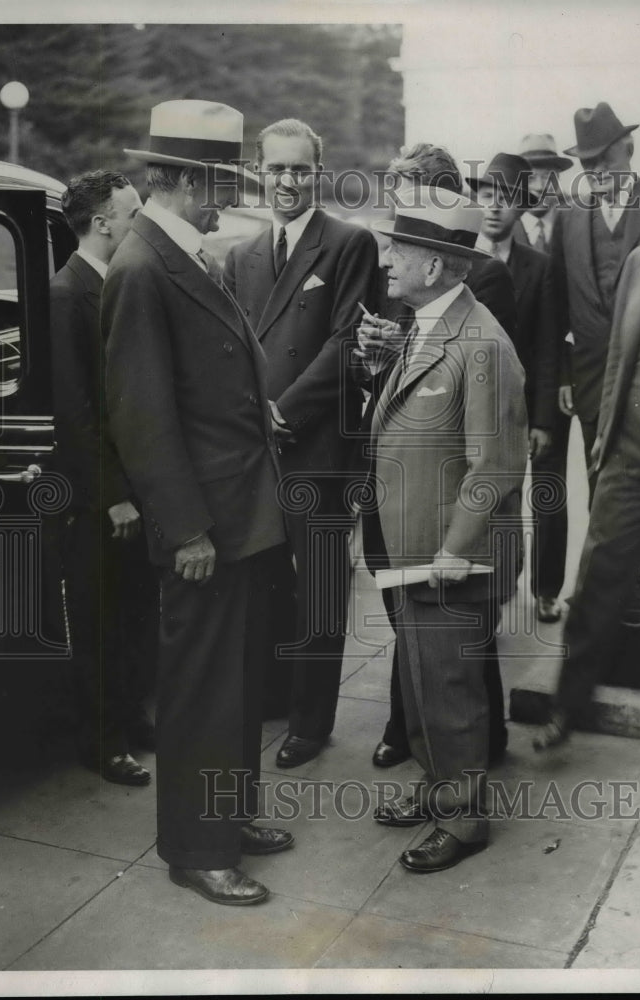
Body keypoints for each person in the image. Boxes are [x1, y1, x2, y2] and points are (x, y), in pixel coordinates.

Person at [103, 100, 292, 906]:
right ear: (178, 178)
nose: (226, 195)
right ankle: (195, 847)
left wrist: (260, 408)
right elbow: (141, 415)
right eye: (217, 180)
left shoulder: (183, 251)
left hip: (239, 511)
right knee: (201, 691)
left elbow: (206, 375)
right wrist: (184, 528)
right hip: (204, 525)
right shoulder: (143, 265)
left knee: (238, 684)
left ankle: (227, 812)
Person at [364, 196, 527, 871]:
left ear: (434, 263)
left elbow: (493, 465)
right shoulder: (428, 324)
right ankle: (436, 790)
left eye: (397, 249)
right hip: (414, 553)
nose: (385, 258)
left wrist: (454, 551)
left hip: (448, 555)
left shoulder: (481, 343)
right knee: (422, 682)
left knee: (451, 693)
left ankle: (462, 822)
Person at [224, 119, 380, 769]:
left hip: (315, 447)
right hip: (261, 449)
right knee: (263, 584)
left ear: (318, 173)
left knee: (317, 589)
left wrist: (283, 411)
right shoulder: (241, 256)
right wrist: (250, 413)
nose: (286, 181)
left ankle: (311, 722)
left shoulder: (349, 244)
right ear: (259, 171)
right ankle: (271, 696)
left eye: (299, 169)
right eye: (276, 169)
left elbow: (347, 343)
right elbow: (230, 347)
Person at [534, 222, 640, 749]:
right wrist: (605, 436)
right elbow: (619, 357)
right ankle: (567, 706)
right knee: (598, 575)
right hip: (630, 447)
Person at [50, 170, 158, 786]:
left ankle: (131, 717)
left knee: (135, 611)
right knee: (99, 620)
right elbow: (76, 413)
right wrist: (113, 495)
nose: (139, 220)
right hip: (100, 498)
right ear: (102, 223)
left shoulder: (114, 284)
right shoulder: (67, 295)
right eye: (132, 210)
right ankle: (102, 740)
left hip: (131, 486)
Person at [548, 102, 640, 499]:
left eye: (603, 159)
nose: (595, 172)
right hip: (592, 380)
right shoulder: (567, 218)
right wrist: (565, 374)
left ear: (627, 149)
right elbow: (557, 305)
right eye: (586, 163)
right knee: (602, 494)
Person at [468, 153, 564, 624]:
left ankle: (523, 589)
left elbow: (547, 347)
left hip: (516, 409)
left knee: (521, 498)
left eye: (504, 198)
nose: (493, 207)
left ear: (520, 208)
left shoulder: (539, 267)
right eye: (486, 195)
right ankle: (479, 589)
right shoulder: (458, 256)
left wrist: (543, 419)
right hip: (462, 406)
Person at [512, 133, 572, 253]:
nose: (539, 187)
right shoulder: (503, 232)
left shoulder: (574, 229)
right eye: (530, 178)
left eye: (547, 177)